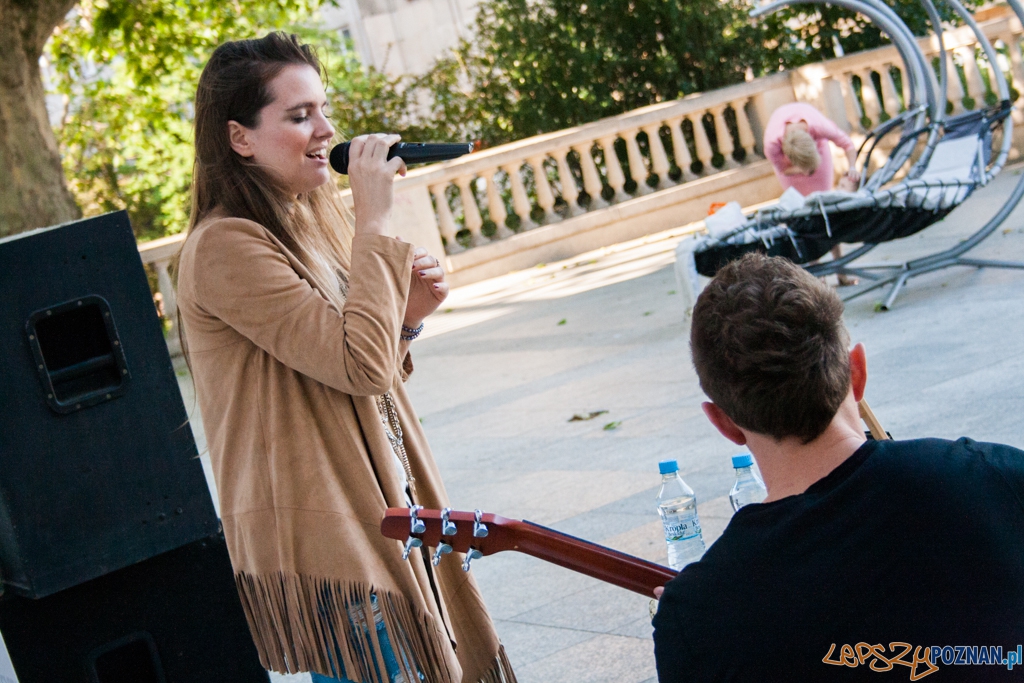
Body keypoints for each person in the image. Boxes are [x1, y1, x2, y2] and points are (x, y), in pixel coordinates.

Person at [176, 33, 516, 683]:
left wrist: (408, 317)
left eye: (323, 110)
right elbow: (358, 365)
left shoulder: (303, 218)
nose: (325, 131)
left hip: (380, 502)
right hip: (330, 533)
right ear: (239, 138)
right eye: (299, 115)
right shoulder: (225, 246)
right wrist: (374, 220)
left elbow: (370, 366)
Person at [652, 253, 1024, 682]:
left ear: (723, 422)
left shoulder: (698, 617)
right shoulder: (995, 479)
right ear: (858, 371)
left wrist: (696, 621)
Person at [764, 101, 861, 285]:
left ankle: (841, 273)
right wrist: (801, 169)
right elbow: (783, 169)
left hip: (818, 156)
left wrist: (853, 167)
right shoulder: (772, 144)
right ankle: (818, 278)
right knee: (805, 218)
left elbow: (847, 145)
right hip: (790, 170)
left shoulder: (818, 126)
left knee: (826, 215)